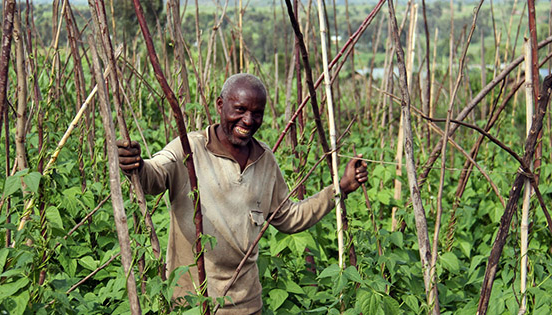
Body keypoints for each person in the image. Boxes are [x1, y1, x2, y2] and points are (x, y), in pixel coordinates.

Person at [117, 73, 368, 314]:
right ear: (220, 105)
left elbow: (289, 216)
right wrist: (136, 165)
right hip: (192, 301)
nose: (248, 121)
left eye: (256, 113)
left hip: (246, 302)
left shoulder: (264, 158)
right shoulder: (190, 148)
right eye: (240, 109)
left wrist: (340, 188)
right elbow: (155, 175)